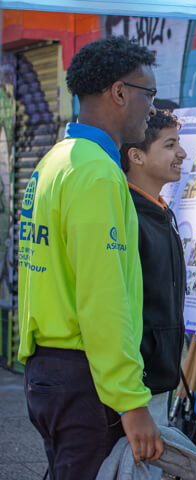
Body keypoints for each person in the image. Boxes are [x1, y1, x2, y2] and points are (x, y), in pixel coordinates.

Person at [18, 36, 162, 479]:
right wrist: (130, 401)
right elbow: (103, 296)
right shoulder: (97, 173)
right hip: (84, 380)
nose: (152, 108)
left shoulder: (55, 161)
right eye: (148, 95)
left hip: (49, 371)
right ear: (119, 92)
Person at [120, 109, 187, 480]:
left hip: (158, 383)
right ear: (137, 155)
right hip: (136, 390)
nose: (182, 154)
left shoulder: (160, 212)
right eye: (170, 144)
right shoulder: (127, 215)